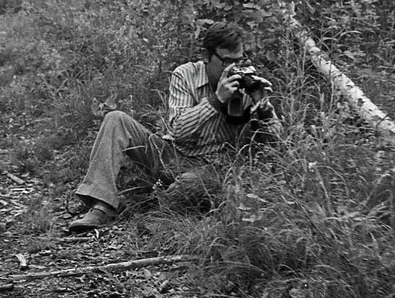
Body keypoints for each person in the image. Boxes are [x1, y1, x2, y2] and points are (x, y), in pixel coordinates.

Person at [66, 22, 281, 232]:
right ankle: (102, 205)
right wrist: (217, 100)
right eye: (227, 62)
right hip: (173, 153)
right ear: (206, 57)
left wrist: (264, 110)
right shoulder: (185, 74)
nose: (234, 69)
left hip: (214, 166)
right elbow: (178, 129)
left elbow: (276, 145)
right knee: (115, 119)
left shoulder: (248, 82)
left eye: (239, 61)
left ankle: (154, 209)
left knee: (192, 182)